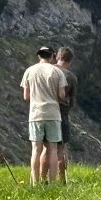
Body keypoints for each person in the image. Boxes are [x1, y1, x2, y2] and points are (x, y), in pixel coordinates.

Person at [20, 46, 67, 185]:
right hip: (53, 113)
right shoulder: (57, 72)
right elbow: (62, 95)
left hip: (36, 114)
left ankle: (35, 182)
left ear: (39, 56)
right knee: (52, 149)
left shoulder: (29, 71)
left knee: (36, 149)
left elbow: (26, 96)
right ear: (53, 56)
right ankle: (52, 182)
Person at [55, 47, 78, 184]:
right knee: (62, 148)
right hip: (62, 115)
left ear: (58, 56)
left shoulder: (48, 70)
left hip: (44, 112)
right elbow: (72, 102)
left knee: (43, 148)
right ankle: (62, 179)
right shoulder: (71, 77)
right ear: (70, 60)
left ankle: (41, 178)